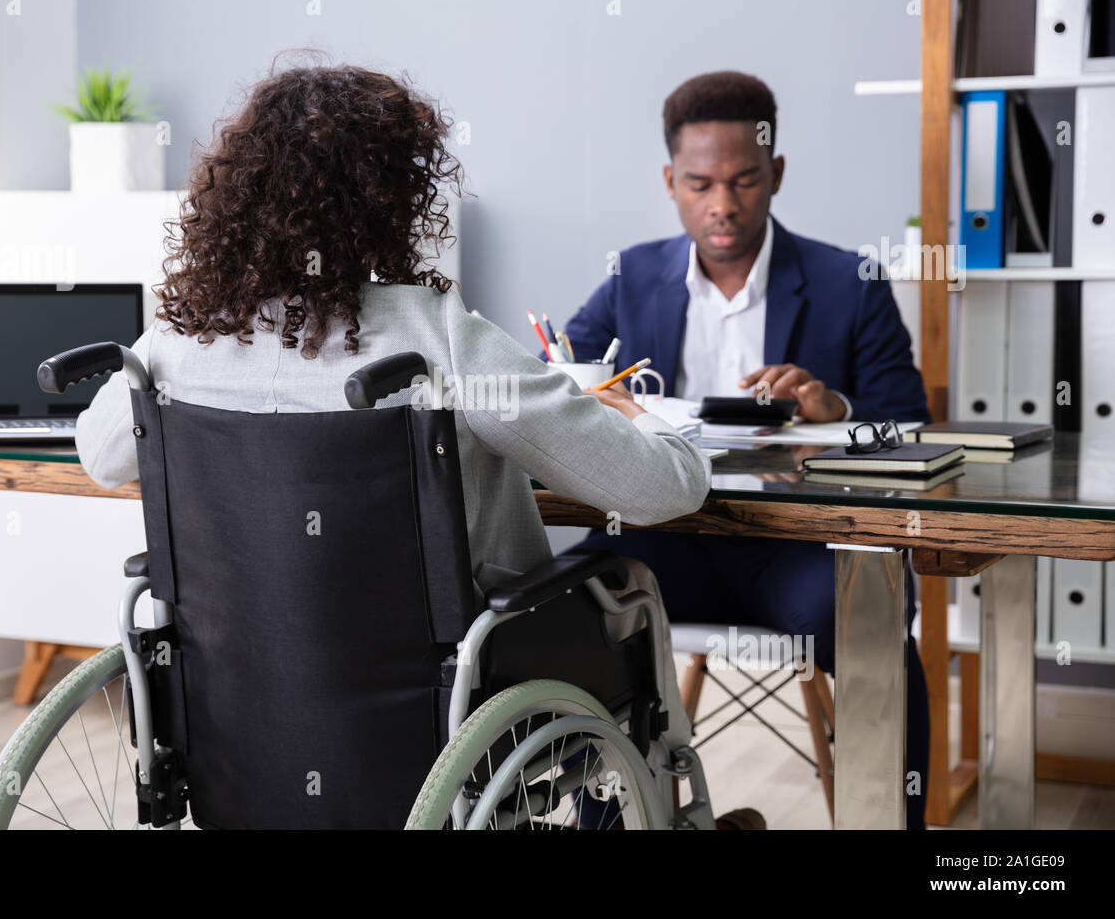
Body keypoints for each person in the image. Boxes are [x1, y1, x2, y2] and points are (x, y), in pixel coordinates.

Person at [73, 61, 719, 827]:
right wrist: (646, 416)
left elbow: (100, 453)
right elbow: (663, 490)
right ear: (389, 200)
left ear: (236, 196)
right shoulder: (439, 342)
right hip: (449, 714)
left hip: (239, 720)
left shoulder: (176, 346)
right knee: (629, 583)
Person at [561, 70, 932, 828]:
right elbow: (562, 380)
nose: (722, 205)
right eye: (699, 183)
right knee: (565, 606)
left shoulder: (847, 281)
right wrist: (600, 397)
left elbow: (912, 424)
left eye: (743, 181)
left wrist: (838, 408)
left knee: (871, 625)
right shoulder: (630, 278)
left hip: (800, 552)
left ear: (777, 174)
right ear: (671, 181)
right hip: (662, 547)